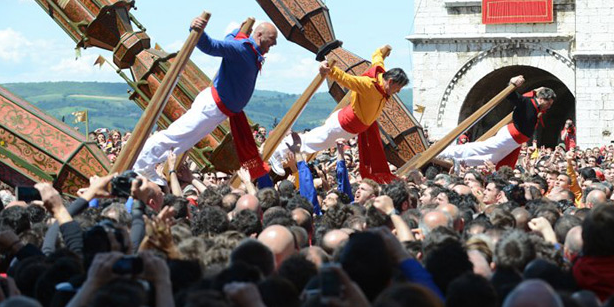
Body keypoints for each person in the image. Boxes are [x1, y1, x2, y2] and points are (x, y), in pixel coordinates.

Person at [133, 15, 278, 183]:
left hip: (218, 109)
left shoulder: (245, 47)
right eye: (272, 39)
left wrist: (238, 30)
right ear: (259, 35)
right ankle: (140, 165)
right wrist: (197, 30)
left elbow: (229, 38)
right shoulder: (241, 48)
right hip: (212, 106)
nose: (273, 44)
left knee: (185, 141)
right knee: (176, 134)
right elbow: (212, 46)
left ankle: (148, 165)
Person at [269, 46, 409, 183]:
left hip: (348, 129)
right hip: (341, 125)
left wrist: (383, 51)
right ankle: (277, 152)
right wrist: (329, 69)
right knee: (310, 141)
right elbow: (346, 79)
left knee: (314, 144)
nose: (398, 91)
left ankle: (282, 154)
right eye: (398, 88)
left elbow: (377, 59)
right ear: (390, 82)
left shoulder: (382, 80)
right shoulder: (368, 85)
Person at [438, 75, 556, 169]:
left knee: (492, 159)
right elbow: (512, 95)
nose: (549, 107)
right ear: (541, 99)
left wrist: (537, 90)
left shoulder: (537, 107)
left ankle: (460, 161)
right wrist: (512, 83)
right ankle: (444, 152)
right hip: (510, 136)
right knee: (482, 148)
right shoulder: (527, 102)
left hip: (515, 141)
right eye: (548, 103)